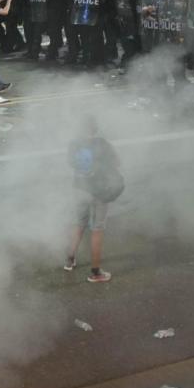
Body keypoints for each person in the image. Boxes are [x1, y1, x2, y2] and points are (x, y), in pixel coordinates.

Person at [64, 117, 123, 283]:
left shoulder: (73, 144)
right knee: (97, 229)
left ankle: (69, 260)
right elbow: (117, 162)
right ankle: (95, 272)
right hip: (99, 190)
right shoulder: (102, 144)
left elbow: (71, 163)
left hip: (79, 189)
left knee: (79, 223)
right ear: (95, 129)